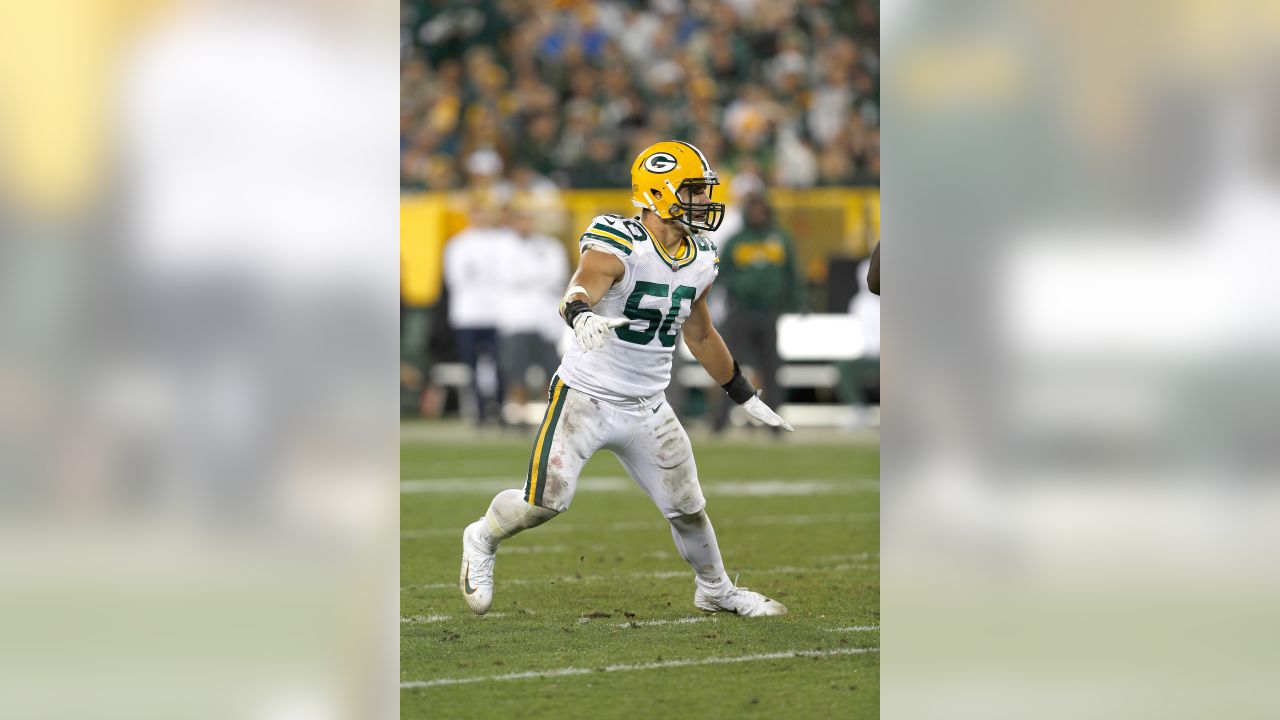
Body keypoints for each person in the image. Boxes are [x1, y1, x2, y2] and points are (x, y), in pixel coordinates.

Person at [460, 140, 793, 617]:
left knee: (688, 507)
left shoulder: (701, 255)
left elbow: (699, 334)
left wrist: (742, 393)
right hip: (586, 397)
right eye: (693, 191)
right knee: (544, 504)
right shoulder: (621, 240)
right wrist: (579, 314)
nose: (704, 201)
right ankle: (481, 537)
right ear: (658, 194)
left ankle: (716, 591)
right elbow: (581, 286)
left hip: (649, 404)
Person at [711, 193, 804, 433]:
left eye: (761, 209)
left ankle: (774, 423)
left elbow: (791, 273)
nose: (758, 214)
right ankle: (719, 421)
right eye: (754, 209)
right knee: (727, 367)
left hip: (768, 311)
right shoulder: (736, 240)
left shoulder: (780, 238)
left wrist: (799, 300)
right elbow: (719, 273)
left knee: (771, 368)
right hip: (740, 311)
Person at [443, 204, 513, 424]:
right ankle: (479, 412)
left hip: (497, 313)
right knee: (471, 366)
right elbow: (456, 278)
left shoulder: (502, 241)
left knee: (501, 363)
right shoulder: (458, 244)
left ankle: (500, 408)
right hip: (468, 313)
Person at [497, 210, 568, 414]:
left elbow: (557, 276)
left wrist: (529, 276)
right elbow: (508, 277)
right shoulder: (504, 247)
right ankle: (518, 414)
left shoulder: (551, 246)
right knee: (516, 370)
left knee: (551, 368)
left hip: (546, 317)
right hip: (517, 318)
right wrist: (537, 276)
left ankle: (554, 412)